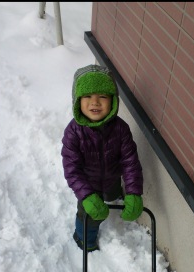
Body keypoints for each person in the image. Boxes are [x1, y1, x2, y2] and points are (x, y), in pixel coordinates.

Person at [61, 64, 143, 252]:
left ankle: (112, 197)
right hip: (88, 185)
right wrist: (87, 195)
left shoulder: (121, 129)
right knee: (90, 215)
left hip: (112, 179)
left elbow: (130, 162)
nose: (95, 102)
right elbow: (71, 169)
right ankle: (84, 239)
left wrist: (134, 192)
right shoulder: (73, 133)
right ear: (77, 100)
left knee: (112, 195)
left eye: (103, 97)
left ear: (113, 100)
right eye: (88, 96)